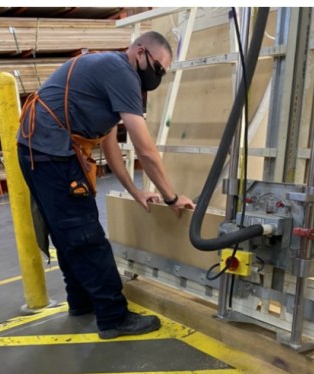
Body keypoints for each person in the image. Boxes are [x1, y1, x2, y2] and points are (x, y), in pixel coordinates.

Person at [17, 31, 196, 339]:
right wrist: (171, 197)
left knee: (67, 232)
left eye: (163, 72)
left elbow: (110, 145)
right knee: (86, 235)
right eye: (158, 67)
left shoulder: (111, 72)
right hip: (52, 153)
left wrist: (137, 192)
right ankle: (113, 317)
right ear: (140, 51)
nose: (158, 76)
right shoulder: (122, 72)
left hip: (41, 151)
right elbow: (146, 151)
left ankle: (81, 301)